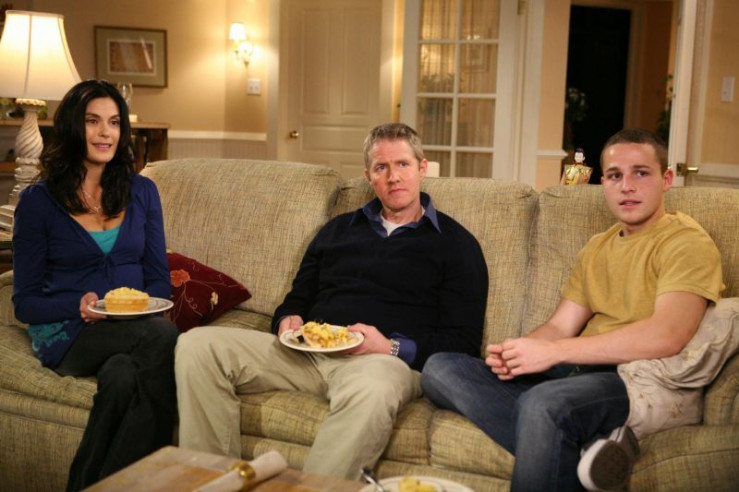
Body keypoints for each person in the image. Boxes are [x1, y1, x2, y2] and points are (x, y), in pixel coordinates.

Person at [175, 122, 488, 480]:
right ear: (368, 176)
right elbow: (298, 296)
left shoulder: (456, 244)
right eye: (381, 167)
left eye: (402, 164)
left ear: (422, 168)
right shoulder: (338, 230)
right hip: (306, 354)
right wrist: (288, 319)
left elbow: (463, 343)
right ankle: (217, 482)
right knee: (197, 345)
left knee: (375, 387)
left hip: (378, 362)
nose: (393, 177)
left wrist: (389, 347)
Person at [420, 128, 724, 491]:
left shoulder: (685, 242)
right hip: (577, 372)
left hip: (631, 377)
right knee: (439, 368)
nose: (627, 186)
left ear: (667, 179)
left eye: (641, 173)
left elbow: (667, 335)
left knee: (542, 405)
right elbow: (561, 326)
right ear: (604, 183)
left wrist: (554, 352)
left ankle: (558, 436)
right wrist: (520, 352)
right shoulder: (598, 247)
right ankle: (588, 450)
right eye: (615, 175)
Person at [12, 80, 179, 491]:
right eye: (93, 121)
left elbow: (158, 277)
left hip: (131, 329)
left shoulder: (142, 192)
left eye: (114, 122)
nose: (105, 132)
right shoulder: (38, 202)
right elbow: (25, 303)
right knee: (163, 337)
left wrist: (145, 308)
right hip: (69, 332)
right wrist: (77, 305)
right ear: (73, 126)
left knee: (122, 377)